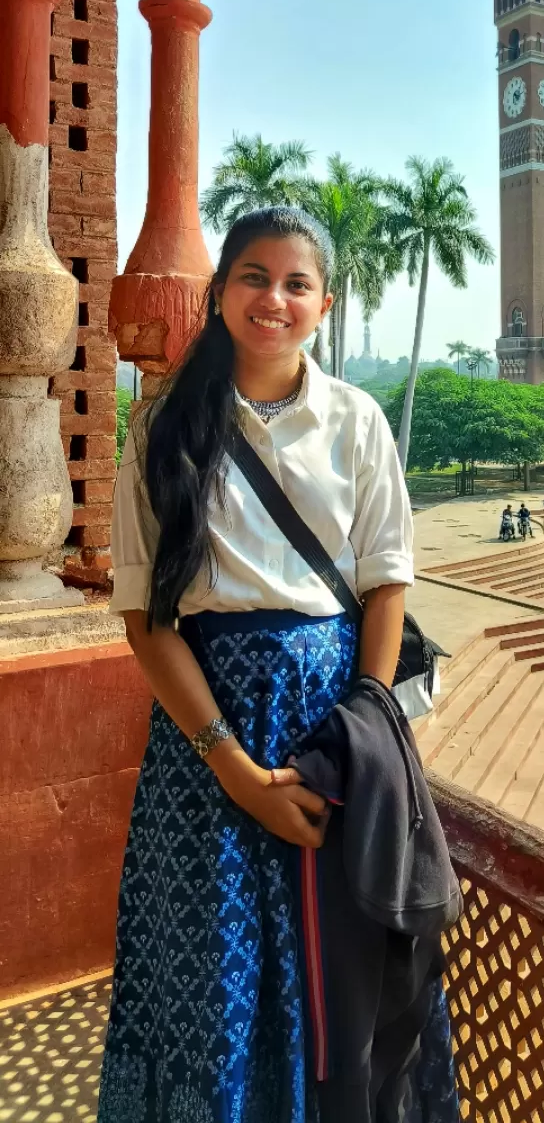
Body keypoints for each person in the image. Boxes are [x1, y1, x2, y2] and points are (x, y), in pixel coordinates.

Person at [97, 207, 458, 1123]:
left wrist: (365, 724)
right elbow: (148, 621)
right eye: (254, 277)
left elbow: (385, 587)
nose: (275, 299)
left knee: (333, 967)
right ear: (221, 293)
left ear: (324, 305)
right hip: (205, 745)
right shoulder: (164, 427)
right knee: (210, 976)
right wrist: (236, 771)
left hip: (330, 735)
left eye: (297, 284)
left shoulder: (355, 421)